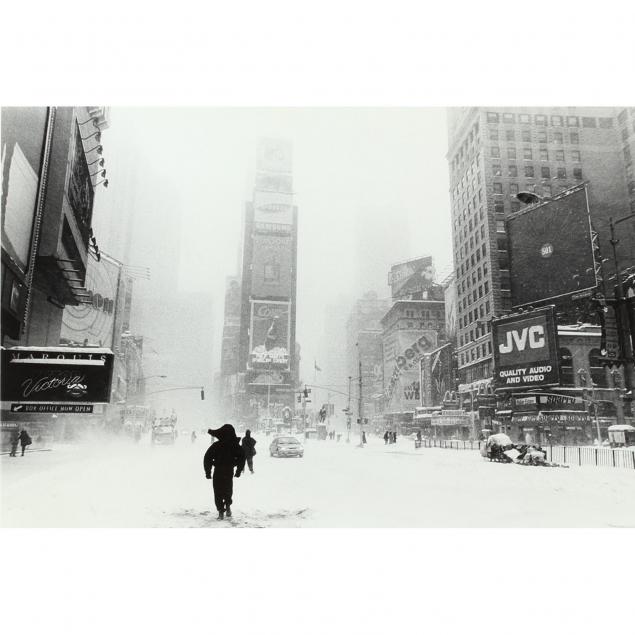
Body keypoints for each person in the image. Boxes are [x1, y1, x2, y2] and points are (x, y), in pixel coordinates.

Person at [204, 424, 245, 520]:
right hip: (228, 471)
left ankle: (221, 511)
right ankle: (228, 506)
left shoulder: (216, 446)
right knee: (227, 490)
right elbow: (242, 458)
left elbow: (207, 458)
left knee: (218, 491)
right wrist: (238, 470)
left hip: (218, 472)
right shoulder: (235, 446)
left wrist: (208, 472)